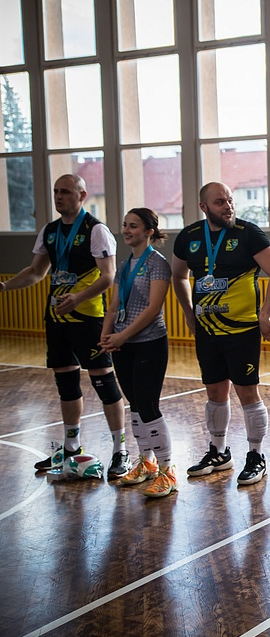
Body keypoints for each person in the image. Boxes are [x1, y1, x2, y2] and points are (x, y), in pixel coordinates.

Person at [0, 174, 129, 478]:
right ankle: (71, 447)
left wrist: (78, 298)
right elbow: (36, 271)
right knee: (66, 384)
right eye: (56, 191)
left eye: (66, 192)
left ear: (82, 195)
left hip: (88, 319)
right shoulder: (50, 231)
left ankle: (120, 450)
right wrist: (4, 286)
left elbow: (108, 276)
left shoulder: (95, 230)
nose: (59, 197)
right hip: (57, 319)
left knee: (104, 382)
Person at [172, 182, 270, 486]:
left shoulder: (248, 233)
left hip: (242, 329)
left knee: (247, 392)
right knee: (214, 392)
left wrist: (265, 314)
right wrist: (188, 311)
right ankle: (219, 452)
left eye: (230, 201)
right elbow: (178, 275)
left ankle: (256, 455)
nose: (228, 206)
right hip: (207, 330)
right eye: (220, 202)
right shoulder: (189, 237)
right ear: (204, 207)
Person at [99, 208, 177, 498]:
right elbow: (113, 305)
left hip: (149, 342)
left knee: (148, 405)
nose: (126, 230)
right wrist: (106, 335)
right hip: (123, 344)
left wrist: (123, 334)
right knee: (134, 405)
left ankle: (168, 470)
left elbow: (153, 308)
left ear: (149, 232)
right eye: (125, 225)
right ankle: (147, 462)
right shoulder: (123, 266)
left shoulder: (158, 264)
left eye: (133, 226)